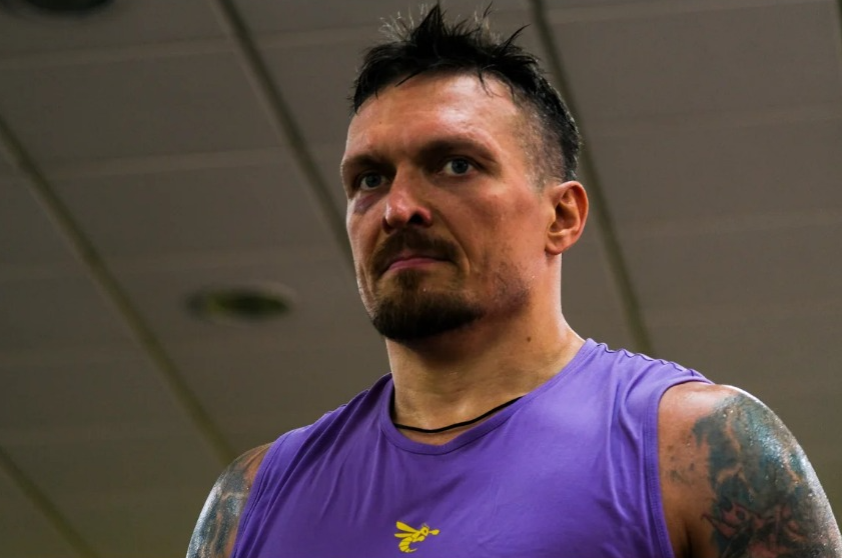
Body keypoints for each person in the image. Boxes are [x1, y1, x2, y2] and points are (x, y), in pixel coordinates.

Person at [186, 5, 842, 558]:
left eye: (455, 165)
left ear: (562, 216)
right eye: (370, 179)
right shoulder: (254, 497)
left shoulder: (698, 448)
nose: (398, 208)